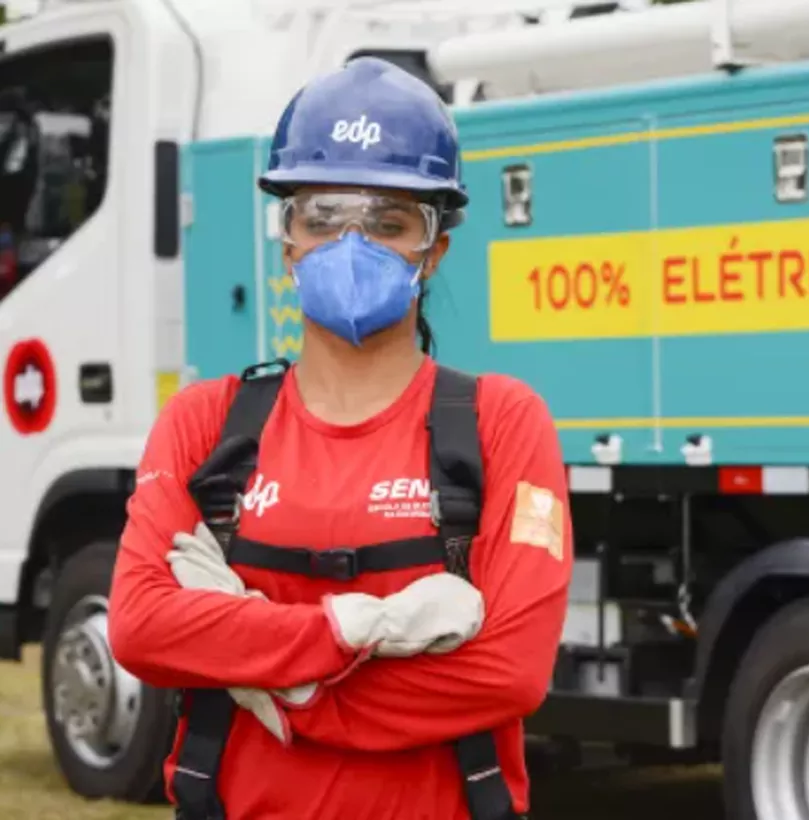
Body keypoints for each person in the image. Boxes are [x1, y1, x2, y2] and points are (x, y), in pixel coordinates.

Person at [107, 56, 572, 820]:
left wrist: (283, 690)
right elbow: (141, 625)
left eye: (391, 221)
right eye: (322, 216)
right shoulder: (205, 423)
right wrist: (350, 631)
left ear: (435, 248)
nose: (351, 244)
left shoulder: (501, 422)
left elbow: (507, 674)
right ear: (286, 238)